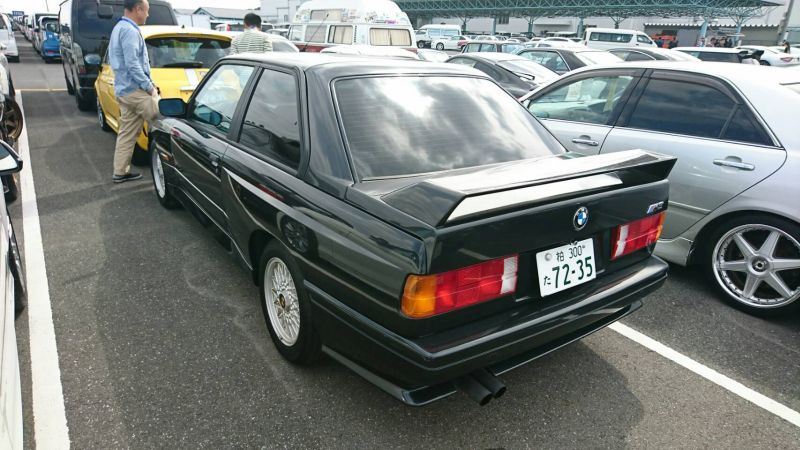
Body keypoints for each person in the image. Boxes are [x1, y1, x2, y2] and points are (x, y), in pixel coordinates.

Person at [108, 0, 158, 183]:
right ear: (138, 9)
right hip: (136, 91)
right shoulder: (130, 31)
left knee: (127, 134)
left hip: (124, 90)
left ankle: (120, 172)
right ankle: (172, 171)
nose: (148, 14)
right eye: (147, 10)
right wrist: (150, 87)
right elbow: (133, 64)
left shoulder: (118, 28)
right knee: (164, 121)